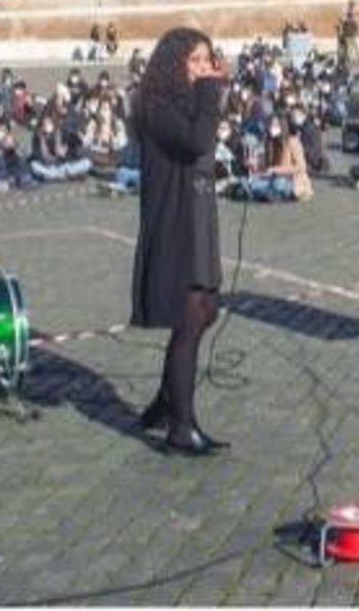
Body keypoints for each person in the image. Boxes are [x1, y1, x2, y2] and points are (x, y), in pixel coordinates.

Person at [129, 26, 229, 456]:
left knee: (207, 309)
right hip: (174, 221)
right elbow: (195, 141)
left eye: (208, 61)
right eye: (196, 62)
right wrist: (211, 92)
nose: (205, 69)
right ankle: (181, 426)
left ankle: (167, 400)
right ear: (174, 65)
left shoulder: (187, 104)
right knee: (189, 316)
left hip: (199, 214)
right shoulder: (155, 105)